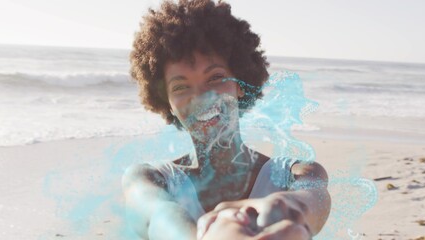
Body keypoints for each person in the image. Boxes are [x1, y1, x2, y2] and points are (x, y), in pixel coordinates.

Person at [122, 0, 331, 239]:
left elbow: (310, 200)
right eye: (180, 86)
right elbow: (158, 216)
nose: (200, 98)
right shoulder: (149, 178)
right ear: (166, 101)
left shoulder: (297, 174)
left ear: (240, 84)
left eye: (215, 78)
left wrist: (285, 210)